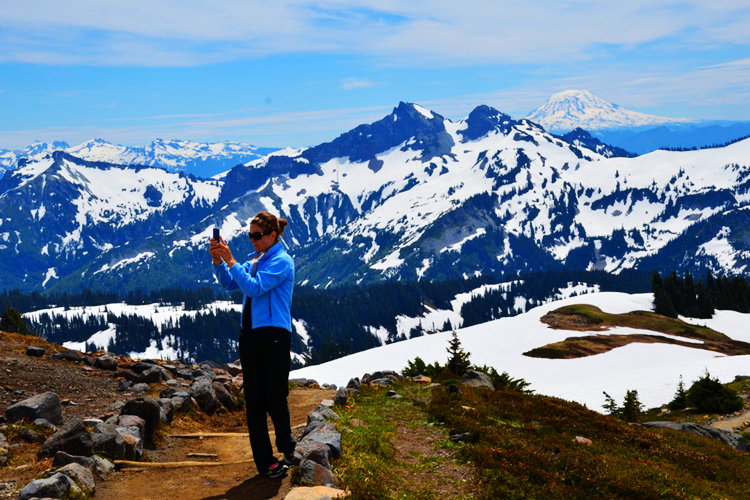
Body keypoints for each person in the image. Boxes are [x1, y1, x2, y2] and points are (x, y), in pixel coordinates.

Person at [209, 211, 296, 479]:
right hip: (250, 336)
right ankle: (266, 462)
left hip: (274, 337)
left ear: (273, 236)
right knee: (255, 401)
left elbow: (255, 288)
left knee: (276, 396)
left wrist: (231, 260)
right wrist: (218, 262)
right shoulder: (254, 260)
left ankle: (287, 448)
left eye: (257, 236)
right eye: (250, 235)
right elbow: (228, 284)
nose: (252, 240)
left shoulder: (281, 262)